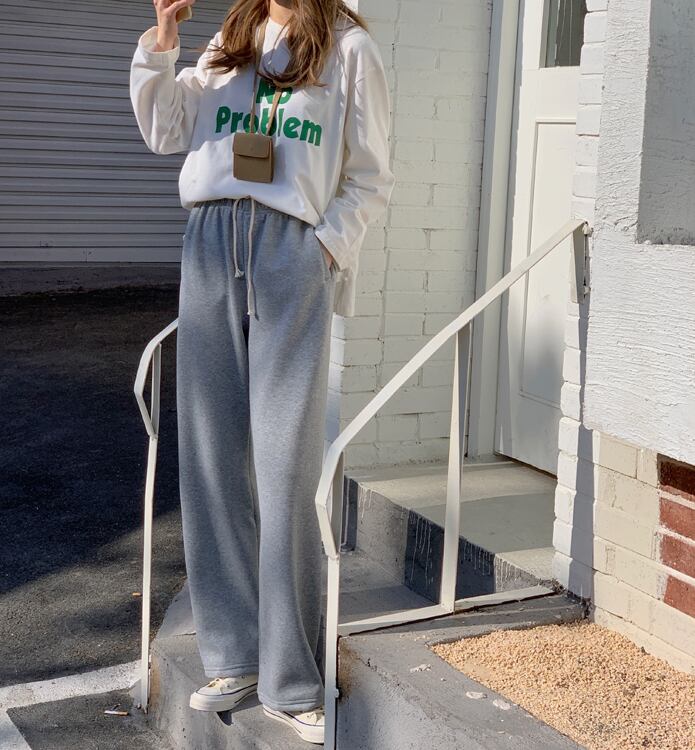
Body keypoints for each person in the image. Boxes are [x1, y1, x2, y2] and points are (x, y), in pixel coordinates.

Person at [129, 0, 395, 743]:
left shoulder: (348, 48)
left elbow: (370, 174)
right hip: (211, 243)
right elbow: (166, 130)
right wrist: (162, 45)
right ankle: (233, 654)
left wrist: (323, 250)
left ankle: (290, 676)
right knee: (210, 459)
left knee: (284, 467)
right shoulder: (232, 34)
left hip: (289, 252)